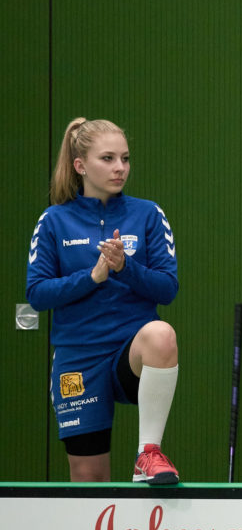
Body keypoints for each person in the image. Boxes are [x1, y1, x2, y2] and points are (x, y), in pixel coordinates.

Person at [26, 118, 181, 484]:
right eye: (108, 158)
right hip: (79, 358)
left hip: (130, 352)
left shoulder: (147, 214)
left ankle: (149, 455)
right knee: (89, 481)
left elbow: (167, 288)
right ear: (81, 166)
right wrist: (92, 277)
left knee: (162, 335)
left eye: (125, 159)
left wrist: (125, 267)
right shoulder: (53, 221)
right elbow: (37, 294)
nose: (119, 168)